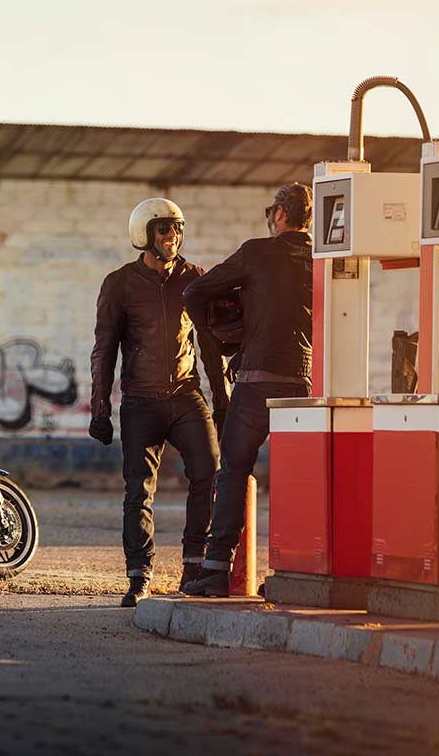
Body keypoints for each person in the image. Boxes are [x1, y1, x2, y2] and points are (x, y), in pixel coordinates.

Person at [90, 198, 229, 607]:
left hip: (187, 396)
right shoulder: (119, 284)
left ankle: (194, 565)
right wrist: (100, 407)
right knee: (138, 491)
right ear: (145, 236)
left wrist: (222, 400)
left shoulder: (195, 279)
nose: (173, 237)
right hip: (140, 402)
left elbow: (211, 346)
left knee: (209, 473)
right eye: (165, 230)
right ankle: (139, 576)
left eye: (178, 229)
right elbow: (104, 349)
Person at [180, 183, 314, 597]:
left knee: (234, 470)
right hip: (304, 385)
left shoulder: (257, 252)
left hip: (256, 382)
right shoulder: (322, 256)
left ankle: (217, 571)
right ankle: (302, 569)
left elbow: (195, 291)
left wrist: (222, 336)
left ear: (278, 215)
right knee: (301, 479)